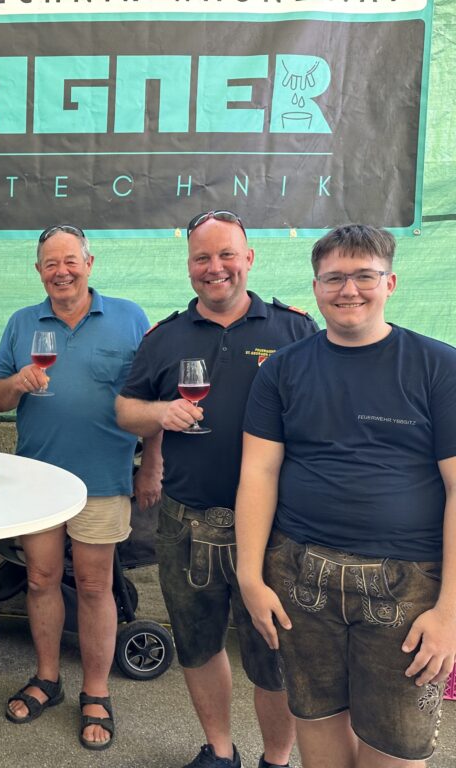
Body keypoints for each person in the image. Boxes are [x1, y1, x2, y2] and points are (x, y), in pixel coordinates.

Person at [236, 224, 456, 768]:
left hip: (408, 588)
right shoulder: (281, 370)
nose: (348, 290)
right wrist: (249, 576)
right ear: (315, 287)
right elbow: (258, 474)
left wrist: (449, 611)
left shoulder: (439, 367)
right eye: (334, 278)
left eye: (364, 276)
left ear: (391, 282)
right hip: (300, 578)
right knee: (317, 729)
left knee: (396, 750)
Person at [117, 210, 315, 768]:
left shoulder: (294, 329)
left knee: (273, 653)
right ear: (188, 266)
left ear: (249, 258)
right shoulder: (166, 337)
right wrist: (159, 412)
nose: (215, 268)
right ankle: (220, 750)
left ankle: (276, 759)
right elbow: (126, 410)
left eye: (226, 254)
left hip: (278, 527)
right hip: (187, 520)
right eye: (202, 258)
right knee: (198, 644)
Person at [0, 224, 158, 752]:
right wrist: (18, 382)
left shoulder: (130, 318)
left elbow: (152, 401)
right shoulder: (21, 323)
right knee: (39, 580)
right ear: (38, 271)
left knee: (94, 585)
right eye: (49, 263)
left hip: (104, 478)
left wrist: (152, 465)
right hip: (38, 481)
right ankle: (47, 678)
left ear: (89, 262)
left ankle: (97, 691)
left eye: (70, 261)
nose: (61, 271)